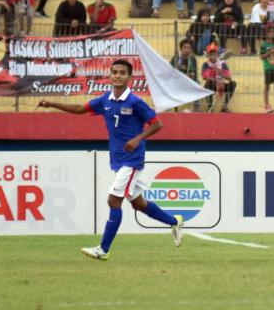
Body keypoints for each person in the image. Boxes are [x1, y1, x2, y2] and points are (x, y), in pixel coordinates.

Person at [37, 59, 184, 261]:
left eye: (122, 73)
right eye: (114, 72)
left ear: (129, 77)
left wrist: (137, 138)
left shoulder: (135, 102)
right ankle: (174, 221)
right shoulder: (105, 100)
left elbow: (156, 124)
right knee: (138, 203)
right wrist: (52, 103)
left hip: (132, 159)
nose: (117, 75)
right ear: (110, 75)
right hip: (118, 159)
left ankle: (103, 249)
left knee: (113, 200)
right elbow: (81, 109)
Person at [201, 43, 236, 112]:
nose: (212, 55)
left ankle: (224, 107)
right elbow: (206, 77)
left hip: (222, 83)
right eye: (211, 53)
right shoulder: (205, 64)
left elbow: (229, 78)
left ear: (217, 54)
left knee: (233, 84)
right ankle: (210, 107)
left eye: (214, 53)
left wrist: (221, 74)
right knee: (207, 84)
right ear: (207, 55)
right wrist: (216, 81)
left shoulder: (222, 64)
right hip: (212, 84)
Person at [259, 24, 274, 112]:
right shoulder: (263, 44)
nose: (272, 34)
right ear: (266, 34)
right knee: (267, 87)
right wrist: (269, 53)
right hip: (268, 68)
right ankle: (266, 105)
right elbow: (261, 56)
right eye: (270, 32)